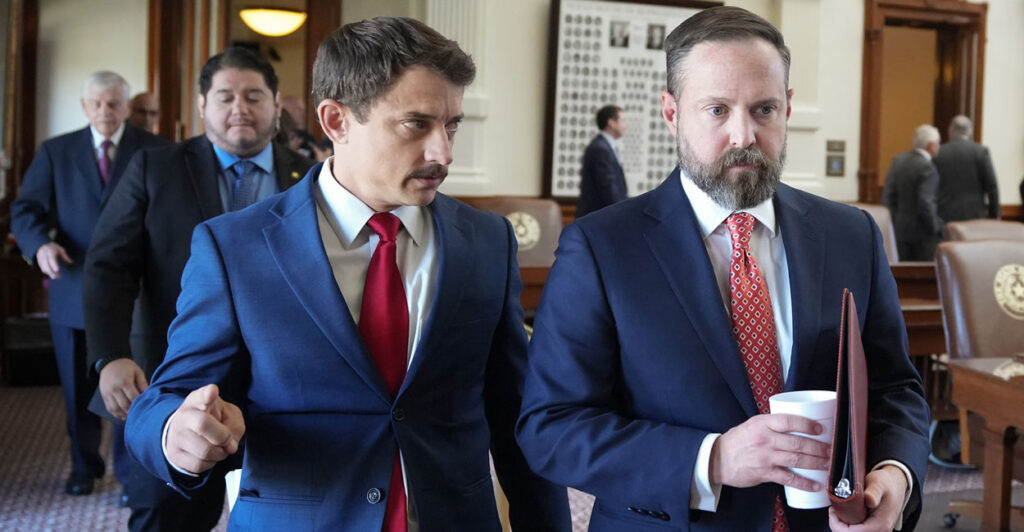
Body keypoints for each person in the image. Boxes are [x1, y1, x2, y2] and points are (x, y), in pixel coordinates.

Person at [124, 17, 571, 531]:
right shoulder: (236, 248)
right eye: (416, 124)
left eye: (451, 125)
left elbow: (515, 413)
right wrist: (174, 432)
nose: (443, 153)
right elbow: (165, 398)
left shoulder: (487, 241)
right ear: (336, 121)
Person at [517, 6, 930, 531]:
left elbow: (895, 389)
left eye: (764, 110)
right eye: (717, 110)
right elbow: (551, 428)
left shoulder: (851, 235)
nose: (744, 135)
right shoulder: (601, 248)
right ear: (671, 113)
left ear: (787, 108)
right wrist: (713, 459)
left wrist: (895, 477)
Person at [82, 47, 313, 532]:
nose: (239, 108)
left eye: (254, 96)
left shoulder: (310, 178)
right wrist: (111, 356)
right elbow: (108, 267)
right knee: (165, 517)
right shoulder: (154, 168)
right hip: (175, 383)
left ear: (276, 105)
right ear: (202, 105)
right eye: (225, 96)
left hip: (285, 392)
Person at [10, 71, 170, 497]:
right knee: (76, 389)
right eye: (96, 103)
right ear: (84, 107)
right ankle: (84, 467)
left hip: (135, 295)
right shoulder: (55, 151)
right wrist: (39, 245)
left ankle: (131, 475)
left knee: (131, 387)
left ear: (127, 107)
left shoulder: (157, 150)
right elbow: (25, 211)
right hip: (72, 288)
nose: (105, 111)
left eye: (114, 103)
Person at [882, 125, 944, 261]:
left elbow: (888, 196)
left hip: (898, 231)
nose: (939, 147)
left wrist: (891, 224)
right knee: (923, 273)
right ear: (931, 145)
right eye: (938, 143)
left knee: (902, 271)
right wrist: (936, 228)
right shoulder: (928, 167)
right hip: (922, 235)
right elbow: (926, 202)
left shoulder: (898, 160)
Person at [933, 114, 1000, 222]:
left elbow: (931, 186)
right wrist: (995, 215)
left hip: (945, 215)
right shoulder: (981, 152)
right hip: (974, 216)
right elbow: (992, 186)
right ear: (970, 132)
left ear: (950, 131)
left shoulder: (939, 152)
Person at [576, 104, 627, 217]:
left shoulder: (604, 146)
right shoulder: (601, 149)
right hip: (599, 217)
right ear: (611, 123)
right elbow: (608, 187)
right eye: (623, 120)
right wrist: (622, 212)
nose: (625, 125)